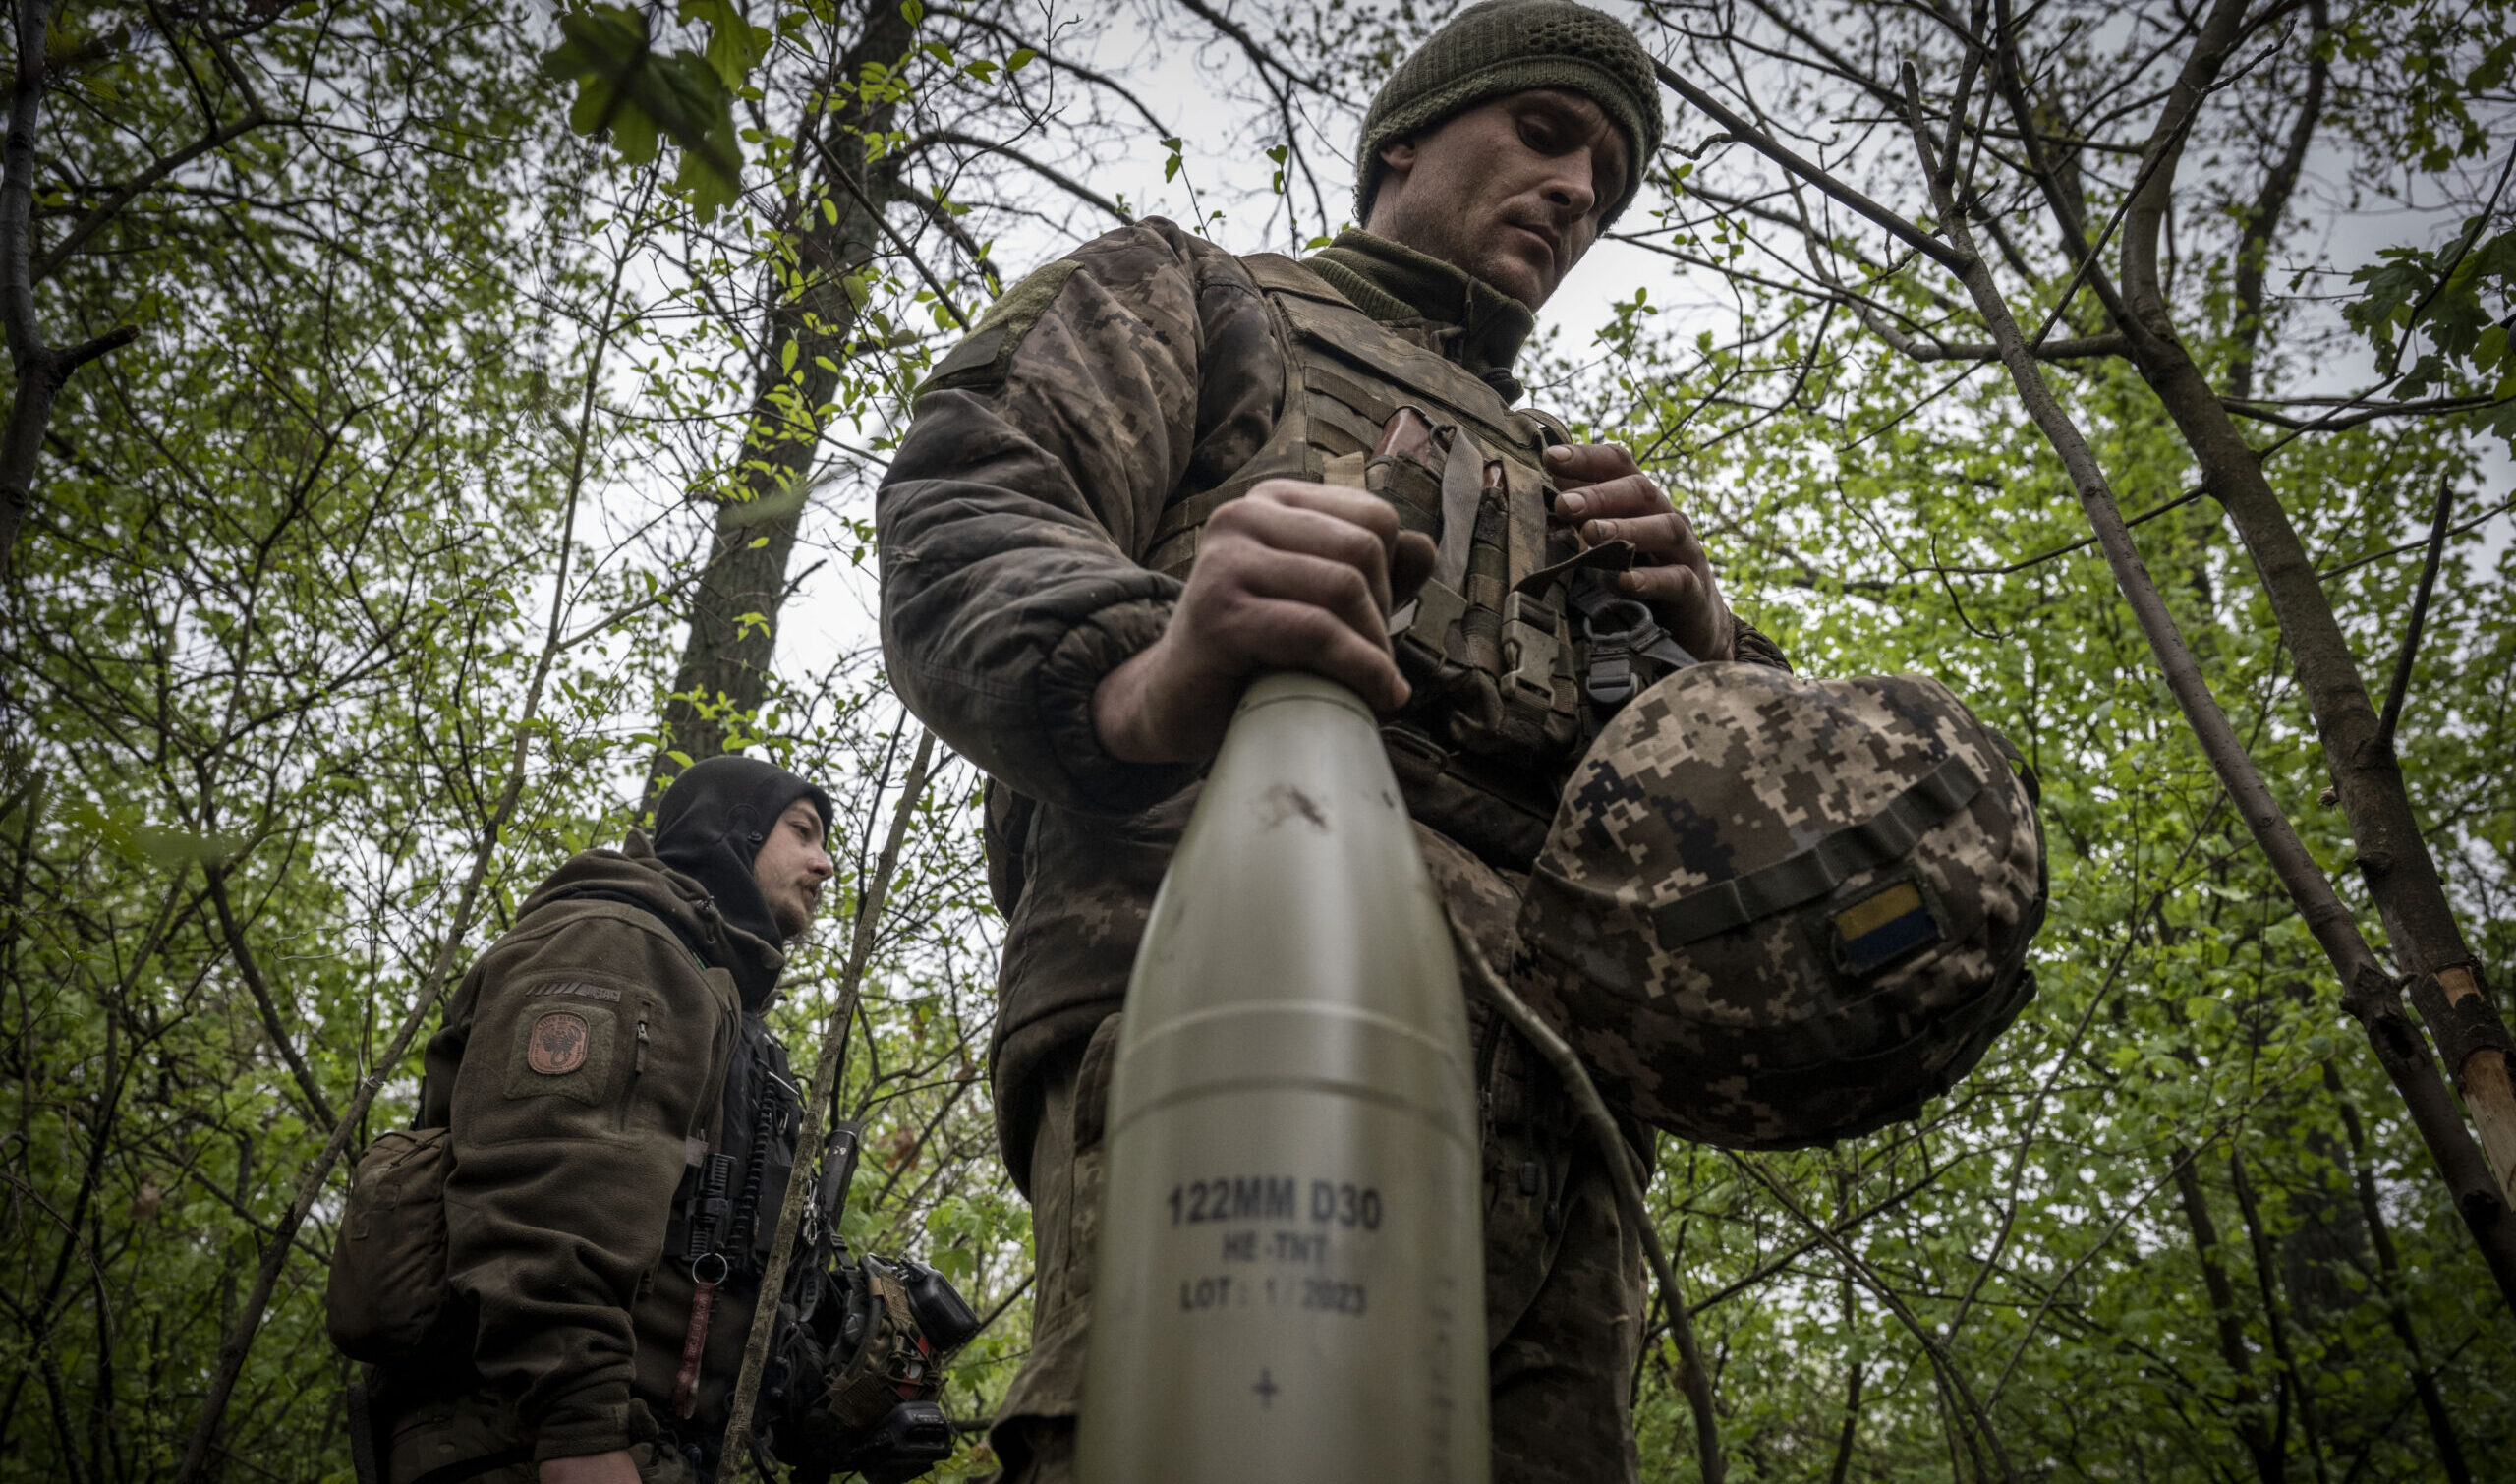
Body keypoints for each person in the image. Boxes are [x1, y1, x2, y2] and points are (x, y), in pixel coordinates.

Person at [876, 3, 1794, 1478]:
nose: (1576, 192)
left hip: (1564, 1114)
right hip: (1219, 995)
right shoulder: (1193, 294)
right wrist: (1157, 667)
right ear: (1403, 144)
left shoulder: (1578, 484)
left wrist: (1717, 657)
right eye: (1547, 134)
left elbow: (1746, 874)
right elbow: (967, 509)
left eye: (1608, 181)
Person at [370, 756, 834, 1484]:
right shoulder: (617, 942)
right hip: (533, 1441)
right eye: (803, 832)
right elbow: (545, 1195)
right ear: (733, 832)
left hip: (641, 1443)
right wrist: (579, 1430)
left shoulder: (725, 1011)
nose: (825, 862)